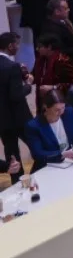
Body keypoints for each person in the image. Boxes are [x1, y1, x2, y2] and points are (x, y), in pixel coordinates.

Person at [23, 89, 73, 172]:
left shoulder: (69, 113)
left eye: (63, 108)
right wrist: (62, 154)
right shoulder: (33, 126)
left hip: (71, 163)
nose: (61, 112)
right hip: (48, 167)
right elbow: (38, 154)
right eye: (57, 110)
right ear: (46, 107)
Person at [0, 32, 33, 184]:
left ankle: (18, 183)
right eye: (17, 44)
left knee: (11, 153)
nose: (18, 47)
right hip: (19, 117)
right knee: (36, 144)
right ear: (10, 46)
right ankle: (41, 172)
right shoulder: (12, 66)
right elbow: (16, 95)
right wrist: (28, 85)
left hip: (3, 119)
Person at [42, 0, 73, 71]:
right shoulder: (51, 29)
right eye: (65, 8)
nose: (68, 10)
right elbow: (59, 52)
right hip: (67, 67)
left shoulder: (64, 21)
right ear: (57, 11)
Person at [30, 33, 73, 98]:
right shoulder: (40, 60)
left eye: (40, 47)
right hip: (43, 99)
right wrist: (29, 76)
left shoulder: (63, 61)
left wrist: (54, 87)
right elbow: (34, 76)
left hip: (60, 99)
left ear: (49, 47)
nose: (37, 49)